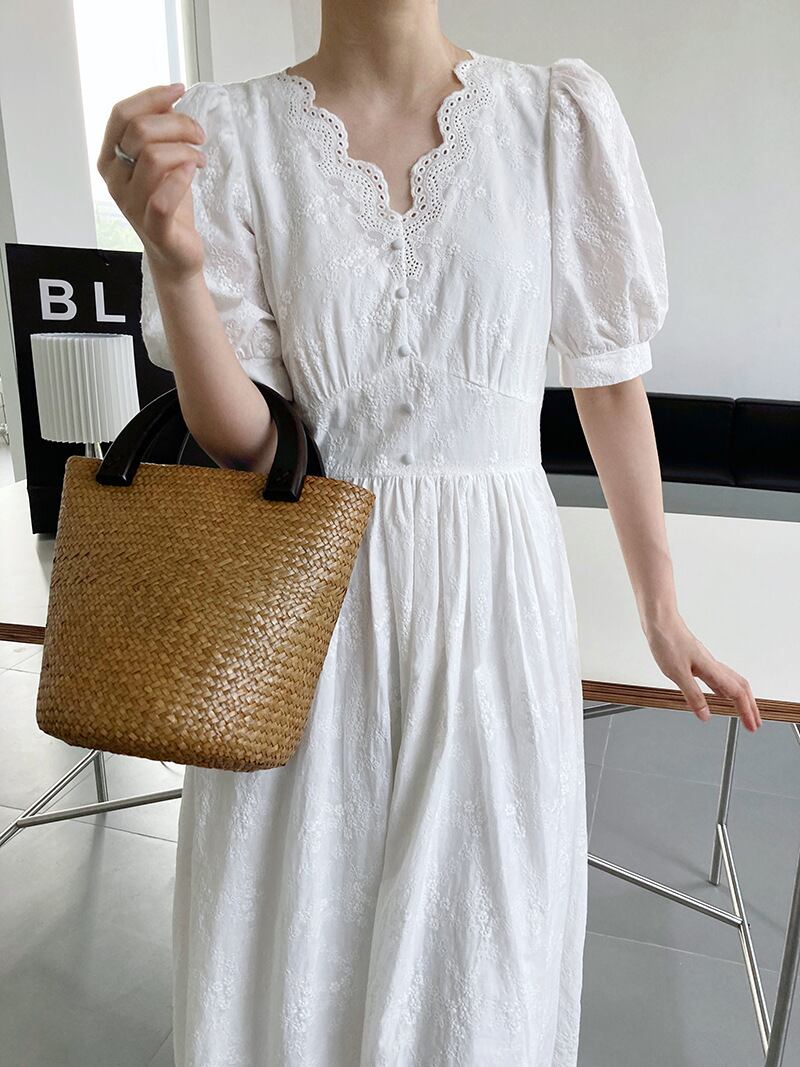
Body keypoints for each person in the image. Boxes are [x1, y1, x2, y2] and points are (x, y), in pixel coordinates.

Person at [99, 5, 761, 1064]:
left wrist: (660, 608)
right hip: (309, 601)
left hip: (494, 601)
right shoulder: (234, 134)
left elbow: (608, 381)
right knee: (296, 935)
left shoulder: (551, 116)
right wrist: (176, 268)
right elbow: (252, 443)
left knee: (480, 951)